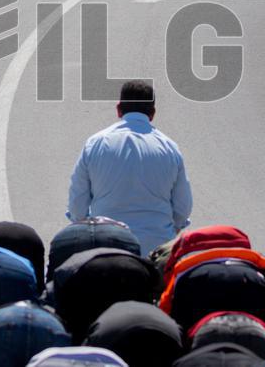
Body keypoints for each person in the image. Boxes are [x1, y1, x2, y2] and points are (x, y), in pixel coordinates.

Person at [67, 80, 193, 255]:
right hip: (155, 251)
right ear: (153, 113)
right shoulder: (170, 148)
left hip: (106, 249)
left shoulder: (95, 144)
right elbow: (182, 208)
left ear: (118, 109)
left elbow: (77, 205)